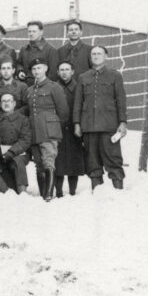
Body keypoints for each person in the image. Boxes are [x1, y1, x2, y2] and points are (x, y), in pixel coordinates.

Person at [73, 46, 128, 190]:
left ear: (106, 56)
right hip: (89, 127)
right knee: (92, 162)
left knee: (113, 160)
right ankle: (97, 193)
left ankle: (118, 192)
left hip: (109, 126)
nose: (96, 56)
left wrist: (122, 122)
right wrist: (77, 123)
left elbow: (121, 100)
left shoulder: (115, 76)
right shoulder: (83, 77)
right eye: (93, 54)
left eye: (99, 53)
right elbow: (78, 102)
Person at [21, 58, 69, 201]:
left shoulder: (54, 87)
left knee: (49, 161)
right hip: (34, 130)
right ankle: (43, 192)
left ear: (46, 69)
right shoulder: (30, 90)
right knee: (38, 163)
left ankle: (49, 193)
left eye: (39, 68)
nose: (36, 71)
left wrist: (54, 127)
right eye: (34, 69)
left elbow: (63, 112)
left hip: (49, 130)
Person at [55, 61, 85, 197]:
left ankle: (73, 191)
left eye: (67, 69)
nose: (64, 72)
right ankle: (59, 191)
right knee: (58, 160)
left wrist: (79, 124)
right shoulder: (54, 87)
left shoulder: (79, 87)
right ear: (57, 72)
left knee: (74, 161)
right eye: (61, 70)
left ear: (72, 72)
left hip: (74, 128)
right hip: (58, 128)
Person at [0, 93, 32, 194]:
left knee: (18, 161)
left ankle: (23, 192)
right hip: (1, 153)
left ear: (14, 103)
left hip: (19, 152)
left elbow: (25, 139)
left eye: (9, 101)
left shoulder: (23, 119)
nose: (6, 103)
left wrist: (12, 152)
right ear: (0, 104)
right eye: (3, 101)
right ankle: (6, 191)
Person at [17, 20, 59, 85]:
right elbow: (18, 63)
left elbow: (53, 74)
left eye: (34, 31)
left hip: (43, 90)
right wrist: (20, 71)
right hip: (25, 87)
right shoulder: (24, 49)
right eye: (29, 31)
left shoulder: (50, 50)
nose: (31, 34)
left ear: (41, 32)